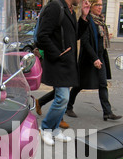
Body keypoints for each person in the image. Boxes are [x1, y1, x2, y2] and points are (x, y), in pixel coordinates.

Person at [37, 0, 90, 146]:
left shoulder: (70, 10)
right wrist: (58, 54)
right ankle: (45, 127)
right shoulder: (55, 7)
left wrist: (84, 17)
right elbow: (42, 36)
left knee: (63, 98)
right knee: (62, 98)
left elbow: (74, 36)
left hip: (67, 64)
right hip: (58, 63)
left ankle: (54, 130)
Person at [66, 0, 122, 121]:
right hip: (89, 59)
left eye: (101, 5)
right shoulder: (88, 20)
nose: (100, 7)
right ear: (91, 7)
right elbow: (85, 42)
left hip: (100, 56)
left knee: (103, 84)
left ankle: (107, 112)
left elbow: (98, 37)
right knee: (79, 85)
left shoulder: (100, 20)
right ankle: (68, 106)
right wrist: (94, 58)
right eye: (97, 5)